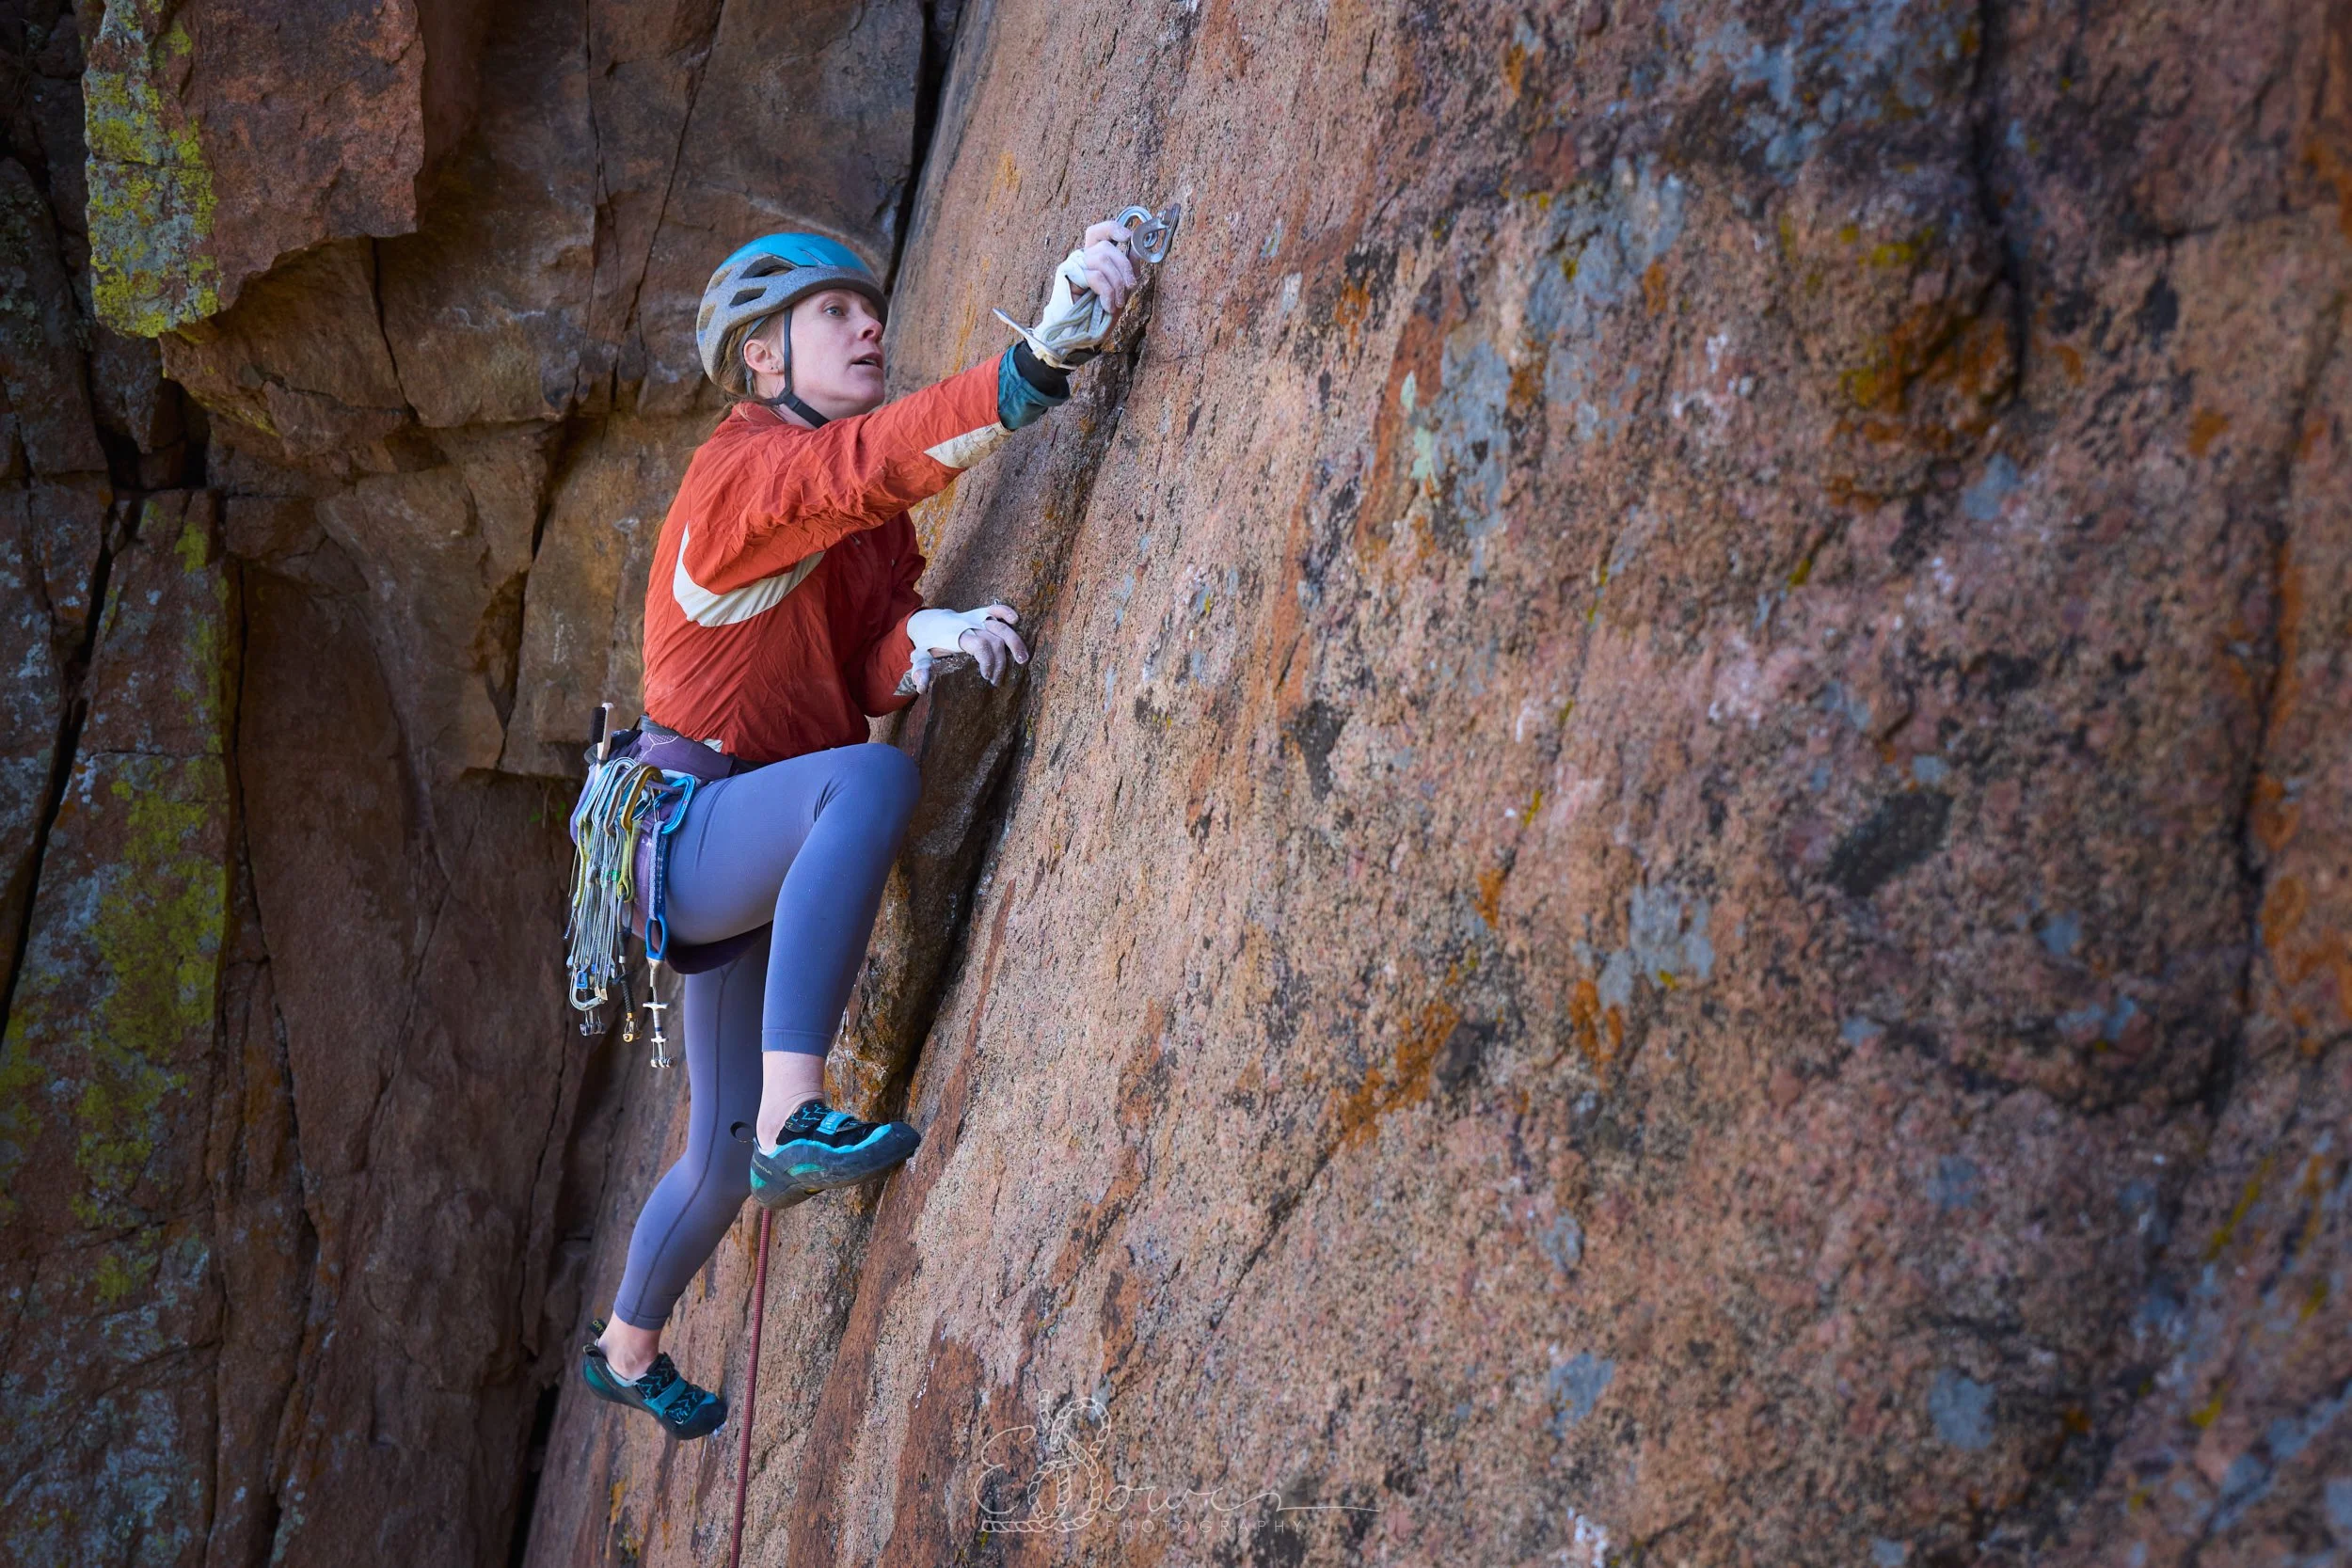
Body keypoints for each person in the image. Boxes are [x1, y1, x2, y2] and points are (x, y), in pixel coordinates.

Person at [576, 224, 1140, 1439]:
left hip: (741, 839)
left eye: (867, 306)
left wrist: (919, 644)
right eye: (832, 313)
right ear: (761, 357)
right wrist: (1031, 365)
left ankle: (625, 1351)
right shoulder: (743, 474)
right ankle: (798, 1109)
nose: (866, 324)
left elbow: (864, 652)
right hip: (692, 828)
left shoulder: (860, 523)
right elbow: (860, 471)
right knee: (870, 790)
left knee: (715, 1163)